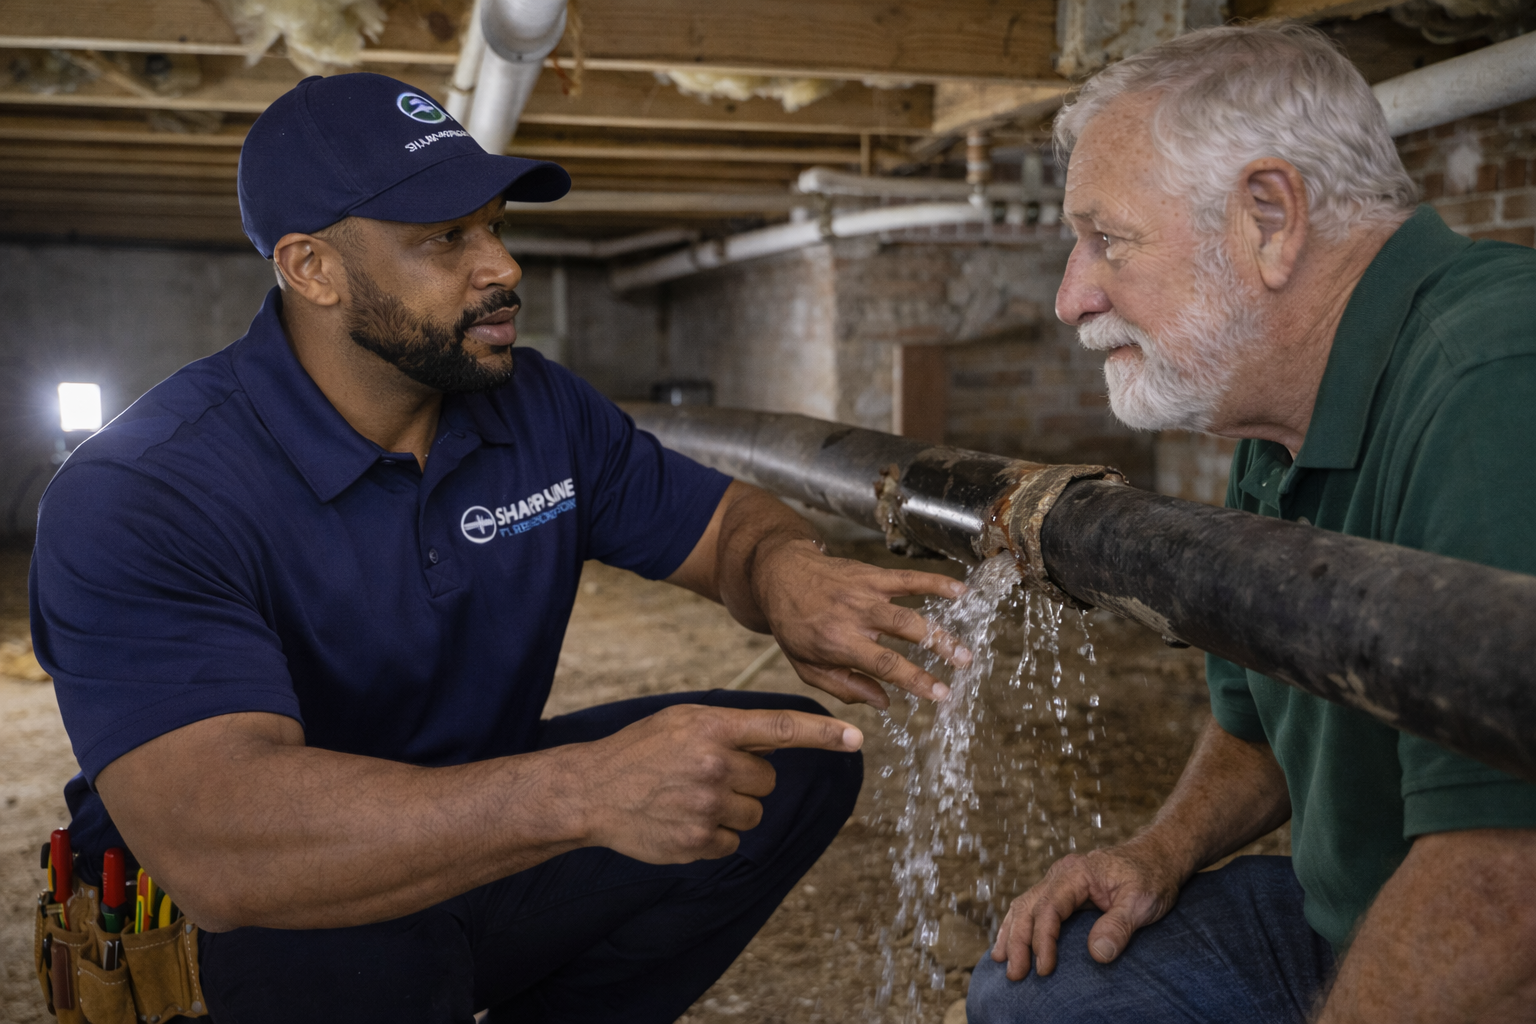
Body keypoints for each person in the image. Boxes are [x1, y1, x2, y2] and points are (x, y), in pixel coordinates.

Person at [30, 73, 972, 1024]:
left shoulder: (535, 408)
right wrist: (580, 793)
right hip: (242, 918)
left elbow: (728, 526)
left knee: (783, 773)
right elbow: (221, 848)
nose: (502, 266)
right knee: (365, 952)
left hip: (473, 825)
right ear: (312, 267)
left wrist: (784, 571)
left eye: (495, 224)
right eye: (446, 238)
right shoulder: (143, 491)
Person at [968, 24, 1536, 1024]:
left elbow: (1509, 885)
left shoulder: (1492, 380)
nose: (1072, 296)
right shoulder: (1278, 414)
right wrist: (1158, 851)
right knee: (1035, 992)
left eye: (1110, 238)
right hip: (1353, 917)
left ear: (1270, 217)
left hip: (1485, 944)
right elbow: (1261, 727)